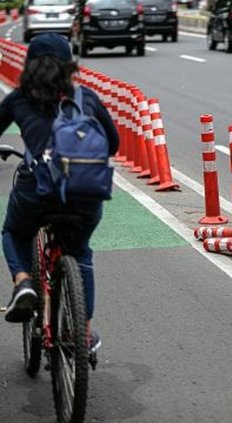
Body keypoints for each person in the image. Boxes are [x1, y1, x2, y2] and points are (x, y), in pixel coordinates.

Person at [0, 33, 119, 351]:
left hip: (36, 190)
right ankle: (83, 332)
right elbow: (114, 142)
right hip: (85, 194)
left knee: (14, 231)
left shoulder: (19, 99)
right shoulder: (86, 97)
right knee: (80, 252)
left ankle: (24, 282)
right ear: (69, 66)